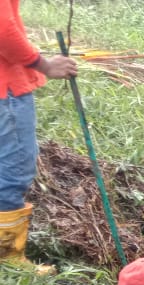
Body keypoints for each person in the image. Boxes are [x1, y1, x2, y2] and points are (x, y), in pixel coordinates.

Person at [1, 0, 78, 266]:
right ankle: (7, 259)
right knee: (13, 171)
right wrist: (44, 65)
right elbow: (3, 29)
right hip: (4, 89)